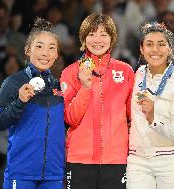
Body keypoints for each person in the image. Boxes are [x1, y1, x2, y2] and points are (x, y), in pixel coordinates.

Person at [60, 13, 134, 189]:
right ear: (84, 38)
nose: (97, 40)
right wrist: (85, 88)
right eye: (92, 34)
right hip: (79, 159)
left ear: (112, 38)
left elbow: (133, 118)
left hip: (116, 161)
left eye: (103, 34)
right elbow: (70, 118)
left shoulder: (125, 71)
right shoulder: (70, 73)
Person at [0, 18, 65, 189]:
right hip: (21, 173)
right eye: (39, 46)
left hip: (53, 175)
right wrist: (20, 102)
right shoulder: (13, 82)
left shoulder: (59, 86)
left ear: (56, 55)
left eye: (51, 48)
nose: (45, 53)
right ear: (27, 49)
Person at [126, 22, 174, 189]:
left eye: (161, 44)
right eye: (149, 44)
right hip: (137, 159)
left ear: (170, 48)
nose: (155, 50)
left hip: (168, 160)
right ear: (141, 49)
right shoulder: (136, 75)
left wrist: (154, 117)